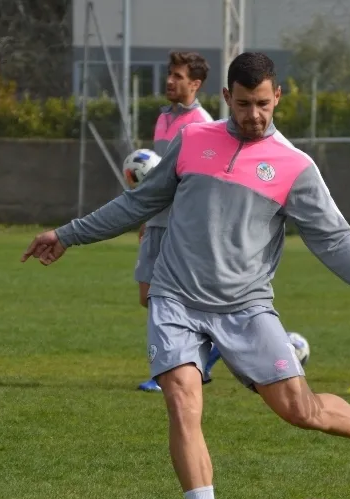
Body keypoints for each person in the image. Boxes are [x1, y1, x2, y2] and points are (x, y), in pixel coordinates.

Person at [22, 52, 350, 499]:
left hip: (246, 307)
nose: (254, 115)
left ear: (278, 98)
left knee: (302, 411)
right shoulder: (193, 141)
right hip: (176, 297)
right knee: (182, 402)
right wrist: (67, 235)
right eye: (244, 104)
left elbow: (332, 239)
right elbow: (138, 204)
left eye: (263, 104)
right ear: (225, 97)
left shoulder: (294, 166)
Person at [135, 51, 218, 393]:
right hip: (157, 219)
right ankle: (208, 351)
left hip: (181, 224)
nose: (170, 80)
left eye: (178, 76)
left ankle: (178, 368)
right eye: (169, 74)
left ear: (195, 84)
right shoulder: (163, 118)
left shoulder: (202, 123)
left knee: (169, 298)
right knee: (147, 295)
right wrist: (145, 214)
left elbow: (202, 179)